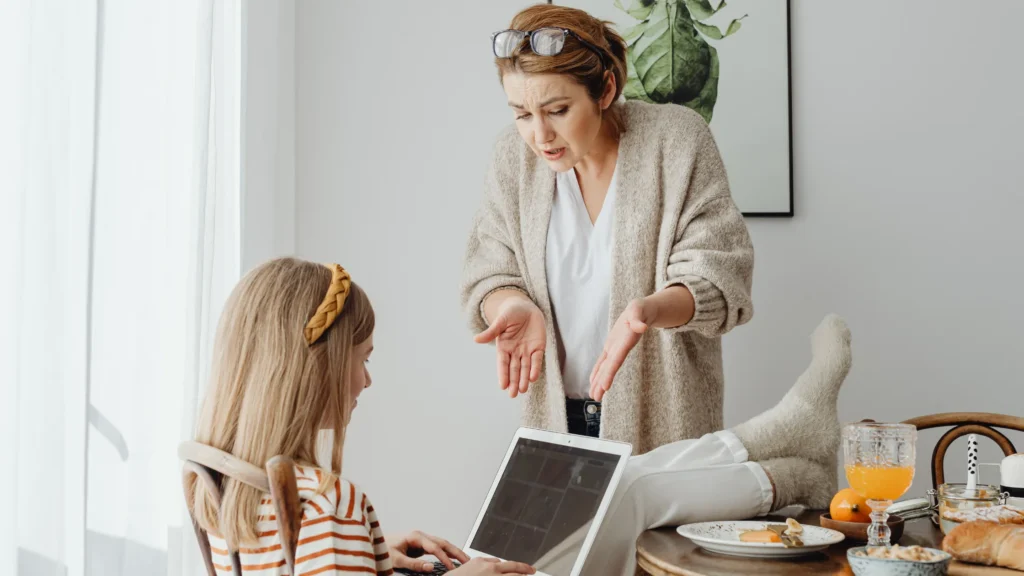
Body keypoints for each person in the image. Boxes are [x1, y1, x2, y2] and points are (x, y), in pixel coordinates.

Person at [460, 4, 755, 454]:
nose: (540, 135)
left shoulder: (676, 140)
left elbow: (719, 277)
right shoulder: (512, 159)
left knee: (659, 528)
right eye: (521, 114)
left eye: (557, 109)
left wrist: (650, 311)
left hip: (667, 424)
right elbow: (489, 267)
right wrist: (513, 302)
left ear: (605, 90)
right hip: (556, 422)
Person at [184, 258, 536, 576]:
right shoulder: (325, 504)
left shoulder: (223, 484)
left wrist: (366, 551)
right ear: (319, 368)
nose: (367, 381)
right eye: (363, 359)